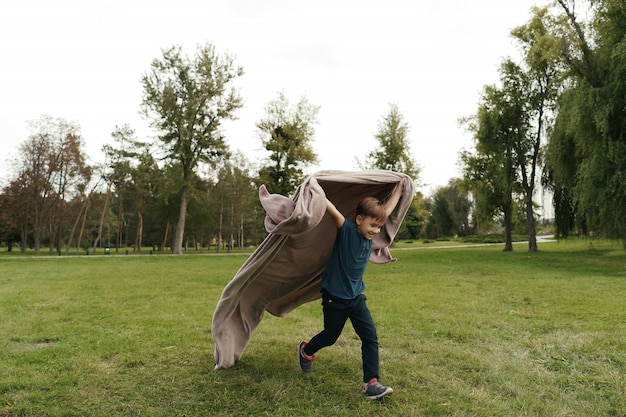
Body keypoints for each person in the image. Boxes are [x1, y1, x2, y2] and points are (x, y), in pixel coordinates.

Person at [298, 178, 406, 400]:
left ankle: (371, 383)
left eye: (379, 227)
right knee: (330, 336)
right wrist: (315, 189)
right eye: (372, 225)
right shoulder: (347, 230)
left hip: (356, 298)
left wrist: (401, 188)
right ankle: (306, 351)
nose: (376, 231)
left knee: (370, 337)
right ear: (358, 220)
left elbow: (387, 209)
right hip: (334, 299)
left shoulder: (369, 235)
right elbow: (334, 211)